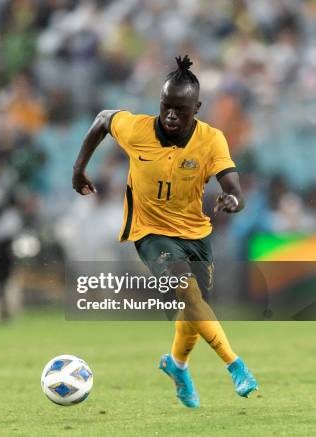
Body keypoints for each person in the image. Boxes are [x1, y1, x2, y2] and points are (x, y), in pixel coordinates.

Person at [71, 55, 257, 408]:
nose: (171, 115)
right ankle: (236, 366)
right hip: (150, 232)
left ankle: (177, 365)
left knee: (193, 310)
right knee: (189, 297)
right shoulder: (137, 129)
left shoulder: (211, 140)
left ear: (197, 108)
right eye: (165, 106)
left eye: (180, 110)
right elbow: (101, 120)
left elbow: (233, 185)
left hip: (195, 234)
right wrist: (79, 169)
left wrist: (233, 199)